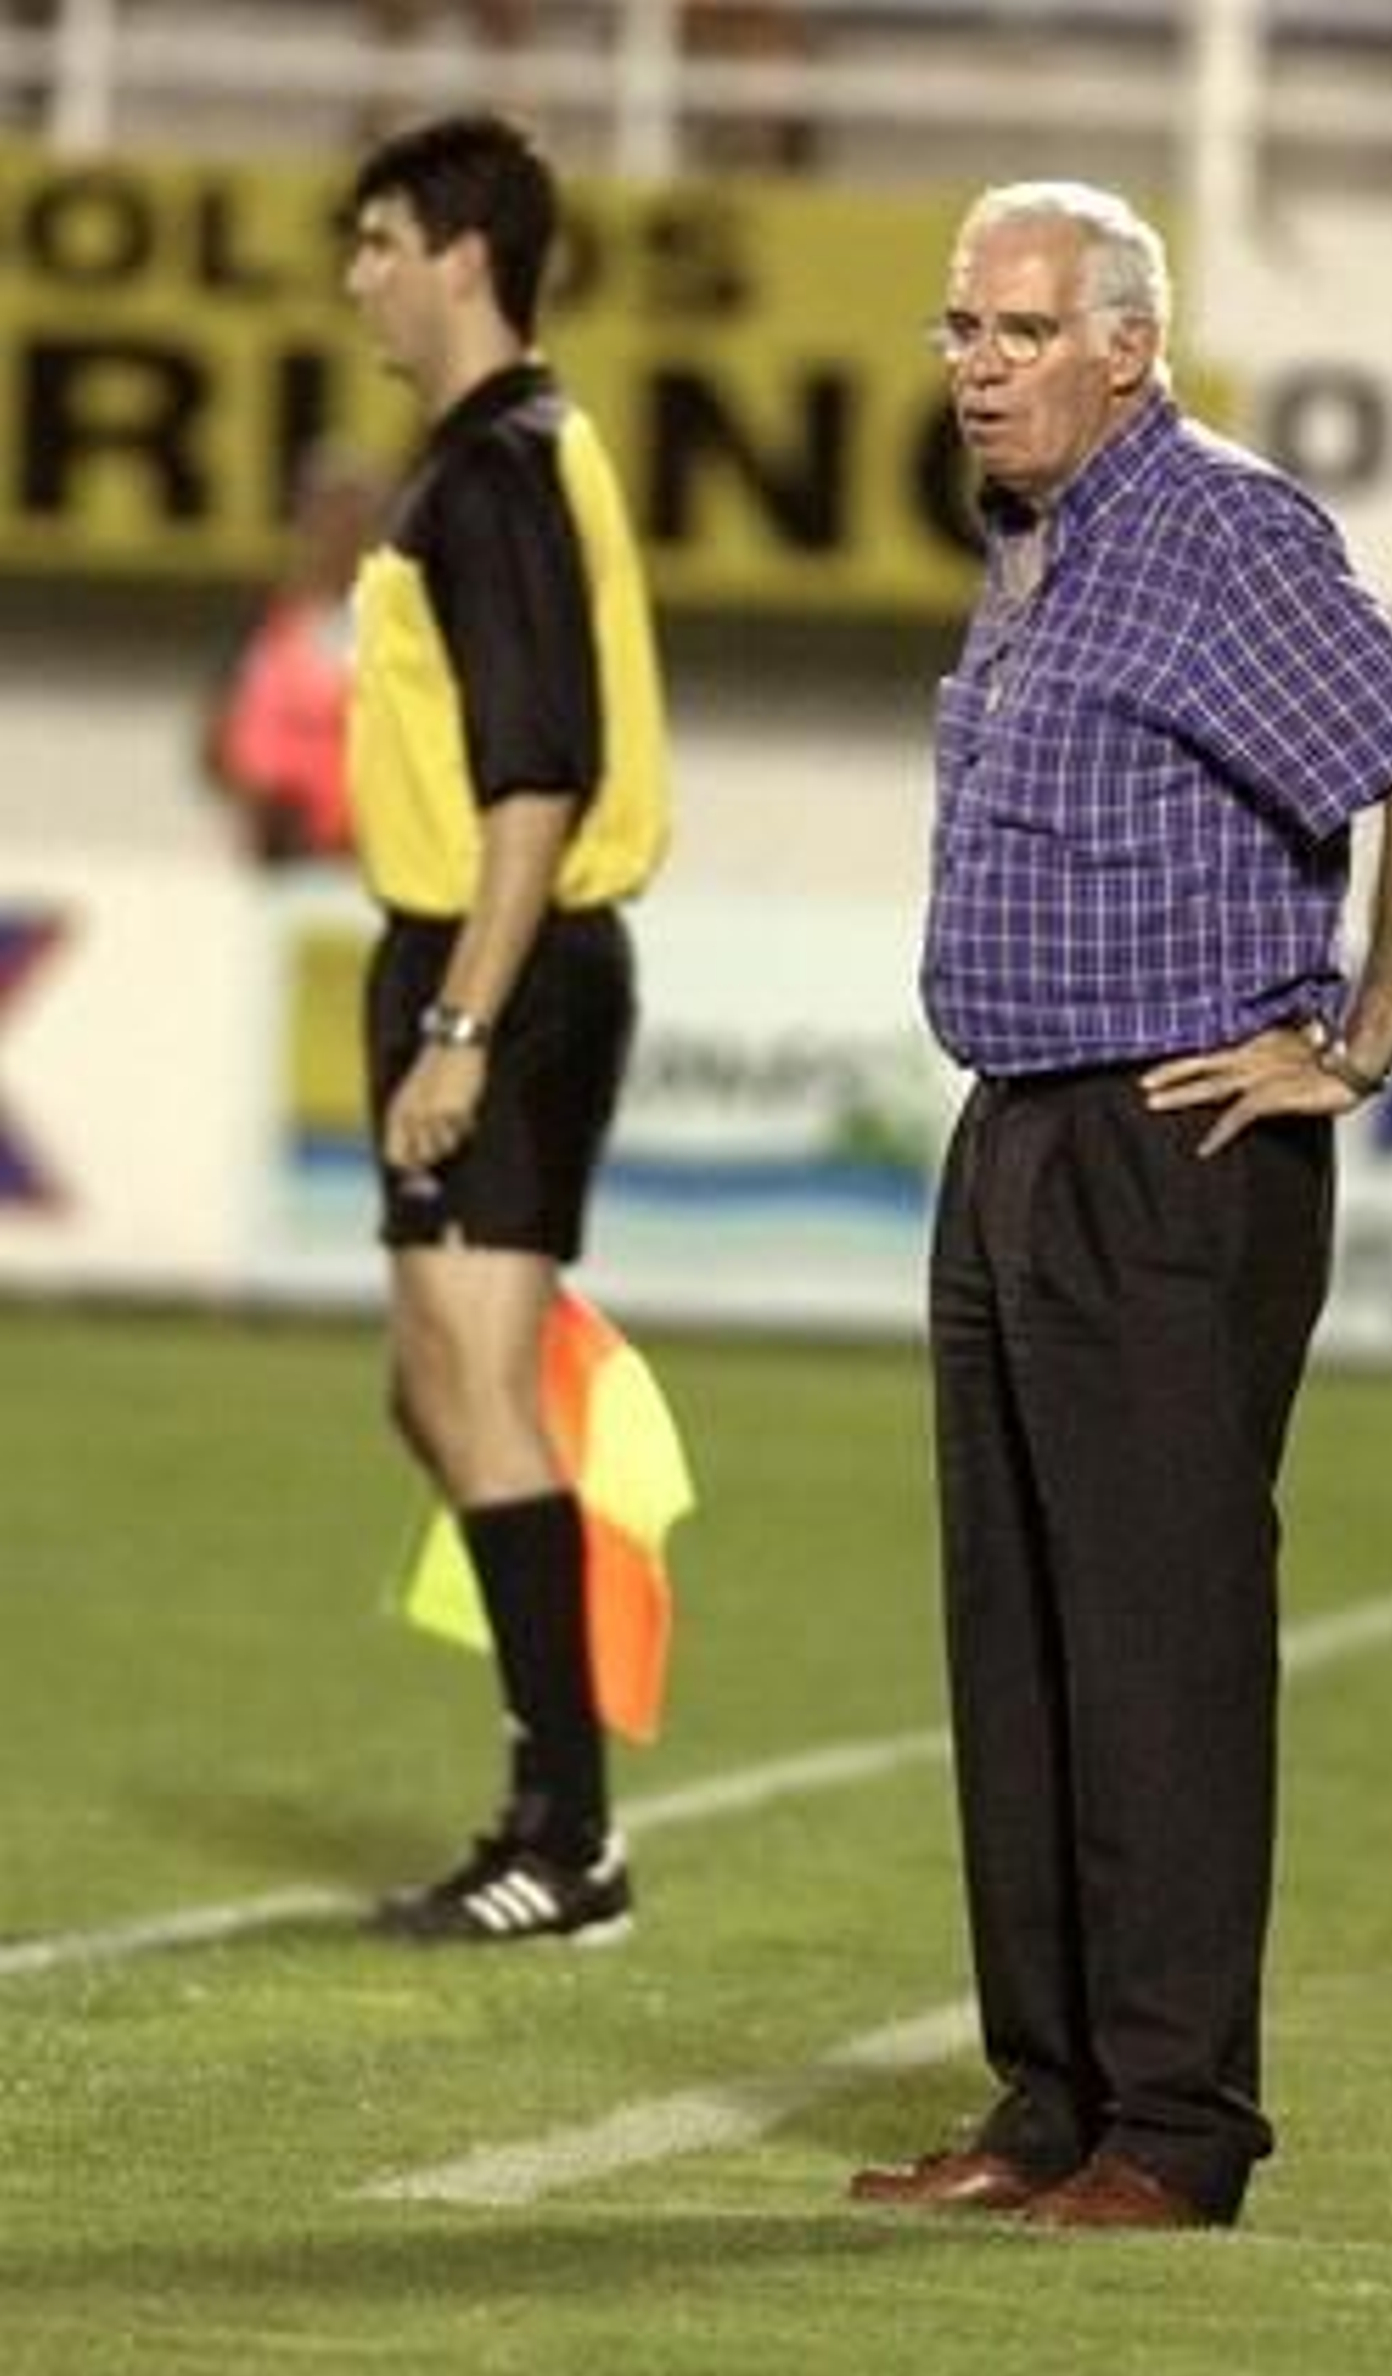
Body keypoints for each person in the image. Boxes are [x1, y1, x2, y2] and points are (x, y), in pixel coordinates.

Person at [849, 182, 1392, 2230]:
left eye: (1019, 332)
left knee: (1154, 1638)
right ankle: (1047, 2097)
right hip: (1016, 1130)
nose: (975, 366)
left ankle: (1177, 2125)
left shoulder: (1217, 527)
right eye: (959, 329)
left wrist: (1358, 1040)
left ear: (1127, 345)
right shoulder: (1037, 540)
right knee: (1020, 1631)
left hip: (1168, 1145)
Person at [342, 112, 670, 1943]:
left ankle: (568, 1830)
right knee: (437, 1385)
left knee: (476, 1384)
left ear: (465, 248)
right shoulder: (479, 458)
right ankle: (557, 1788)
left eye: (382, 238)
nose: (360, 275)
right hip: (463, 949)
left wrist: (462, 1018)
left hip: (507, 957)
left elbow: (538, 777)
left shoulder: (505, 467)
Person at [204, 444, 386, 868]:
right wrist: (259, 791)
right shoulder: (262, 626)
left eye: (354, 517)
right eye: (326, 515)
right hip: (271, 865)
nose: (339, 532)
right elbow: (212, 744)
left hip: (364, 868)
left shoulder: (406, 635)